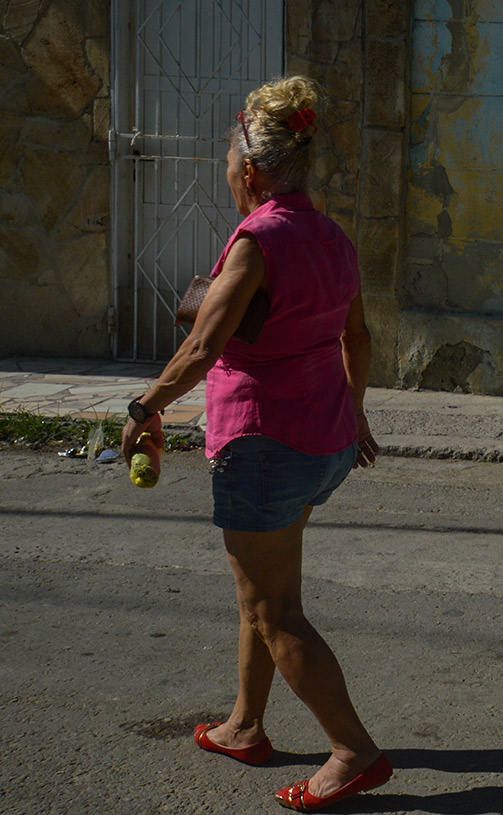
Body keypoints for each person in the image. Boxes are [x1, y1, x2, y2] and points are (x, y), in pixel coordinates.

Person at [121, 76, 391, 811]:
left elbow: (204, 344)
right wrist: (355, 414)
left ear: (249, 171)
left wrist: (144, 406)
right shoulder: (332, 237)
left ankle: (353, 750)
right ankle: (244, 725)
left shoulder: (259, 238)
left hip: (265, 442)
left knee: (275, 611)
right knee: (267, 595)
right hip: (322, 440)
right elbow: (357, 337)